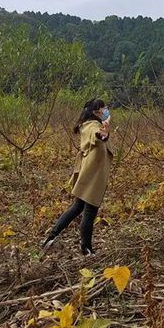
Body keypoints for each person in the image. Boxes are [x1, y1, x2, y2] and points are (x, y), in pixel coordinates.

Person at [42, 98, 113, 255]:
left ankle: (50, 238)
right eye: (104, 108)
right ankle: (86, 250)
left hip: (89, 173)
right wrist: (104, 134)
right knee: (89, 211)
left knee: (77, 208)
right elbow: (96, 135)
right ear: (96, 112)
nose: (107, 110)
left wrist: (104, 132)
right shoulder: (92, 126)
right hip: (92, 177)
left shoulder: (90, 124)